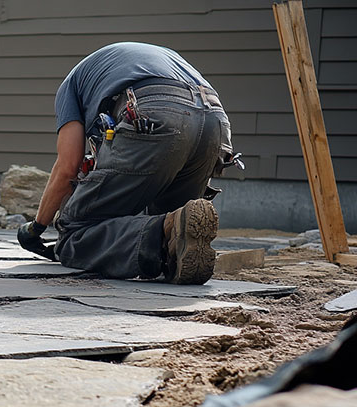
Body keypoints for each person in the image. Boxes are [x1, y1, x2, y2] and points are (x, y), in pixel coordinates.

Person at [18, 42, 240, 285]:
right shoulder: (148, 62)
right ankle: (173, 238)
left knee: (75, 232)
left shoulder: (70, 86)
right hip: (216, 124)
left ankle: (164, 233)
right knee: (175, 222)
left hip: (155, 113)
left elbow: (68, 166)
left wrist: (36, 227)